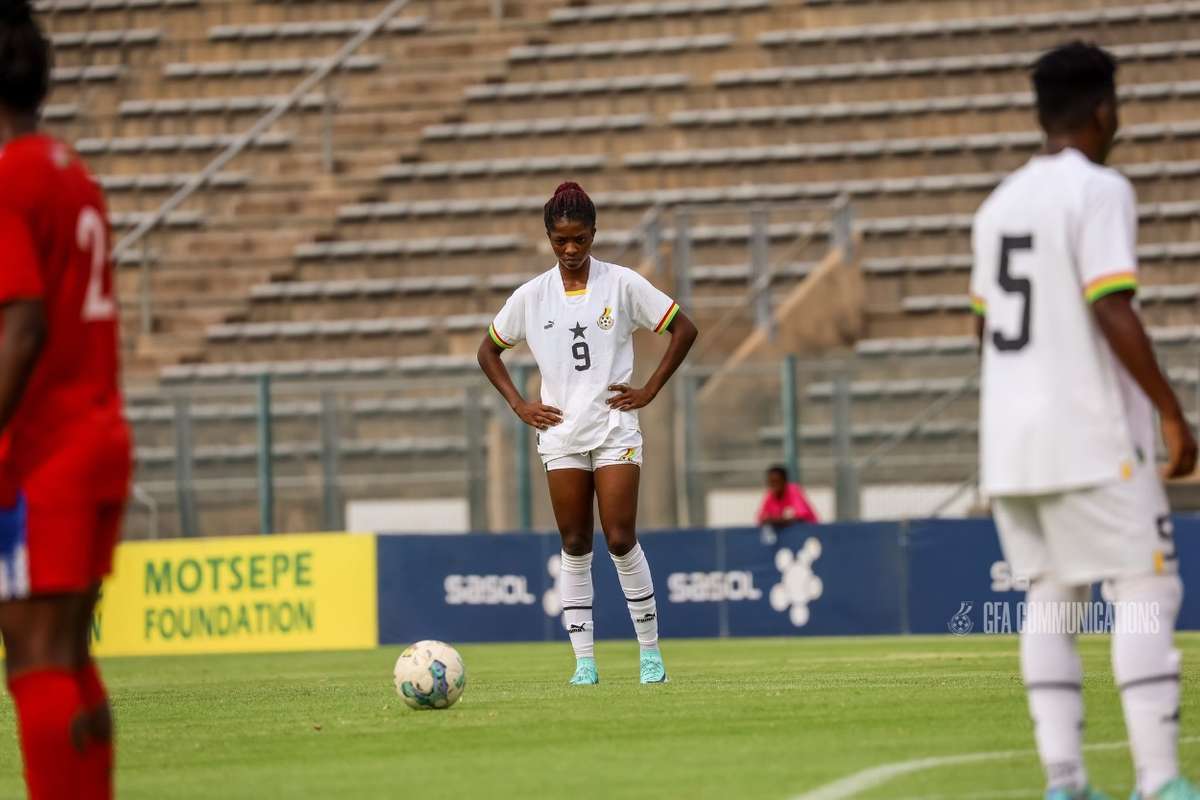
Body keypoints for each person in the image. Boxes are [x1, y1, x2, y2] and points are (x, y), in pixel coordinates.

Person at [970, 42, 1198, 800]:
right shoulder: (1100, 190)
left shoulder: (996, 206)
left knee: (1051, 595)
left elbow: (983, 329)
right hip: (1090, 434)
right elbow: (1111, 302)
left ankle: (1065, 779)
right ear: (1105, 108)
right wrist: (1171, 411)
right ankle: (1160, 779)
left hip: (1009, 441)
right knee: (1144, 587)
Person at [478, 182, 698, 685]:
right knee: (576, 542)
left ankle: (649, 653)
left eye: (580, 239)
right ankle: (584, 663)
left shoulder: (622, 284)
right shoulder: (531, 297)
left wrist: (649, 389)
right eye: (561, 241)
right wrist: (519, 404)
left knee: (619, 538)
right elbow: (487, 351)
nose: (571, 250)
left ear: (594, 234)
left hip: (614, 425)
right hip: (560, 434)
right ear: (550, 239)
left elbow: (684, 328)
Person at [0, 2, 132, 797]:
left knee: (38, 659)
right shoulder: (68, 170)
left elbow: (21, 325)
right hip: (97, 437)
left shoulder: (8, 176)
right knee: (70, 658)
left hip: (44, 451)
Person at [756, 465, 818, 537]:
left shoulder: (793, 490)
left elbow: (801, 517)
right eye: (771, 482)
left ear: (785, 481)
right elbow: (761, 519)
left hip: (810, 533)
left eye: (776, 481)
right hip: (788, 536)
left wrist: (774, 520)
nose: (773, 485)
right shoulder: (770, 495)